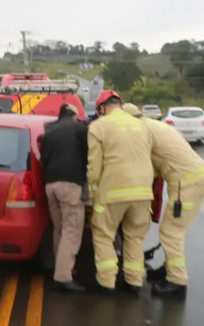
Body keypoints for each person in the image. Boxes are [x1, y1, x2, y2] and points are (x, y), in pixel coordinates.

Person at [122, 103, 204, 297]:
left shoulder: (141, 132)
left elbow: (142, 166)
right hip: (192, 178)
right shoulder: (154, 125)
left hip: (185, 183)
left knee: (171, 232)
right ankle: (168, 269)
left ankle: (177, 282)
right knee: (172, 229)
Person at [87, 91, 154, 293]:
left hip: (113, 192)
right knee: (135, 237)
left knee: (103, 235)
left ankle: (106, 283)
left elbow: (94, 167)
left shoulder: (98, 126)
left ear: (102, 108)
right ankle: (134, 281)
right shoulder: (142, 125)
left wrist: (92, 196)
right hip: (143, 192)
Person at [39, 103, 89, 292]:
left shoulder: (49, 132)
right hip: (70, 185)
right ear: (74, 115)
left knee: (59, 227)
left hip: (50, 185)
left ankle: (60, 265)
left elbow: (43, 157)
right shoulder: (79, 128)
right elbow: (91, 154)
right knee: (72, 230)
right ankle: (63, 276)